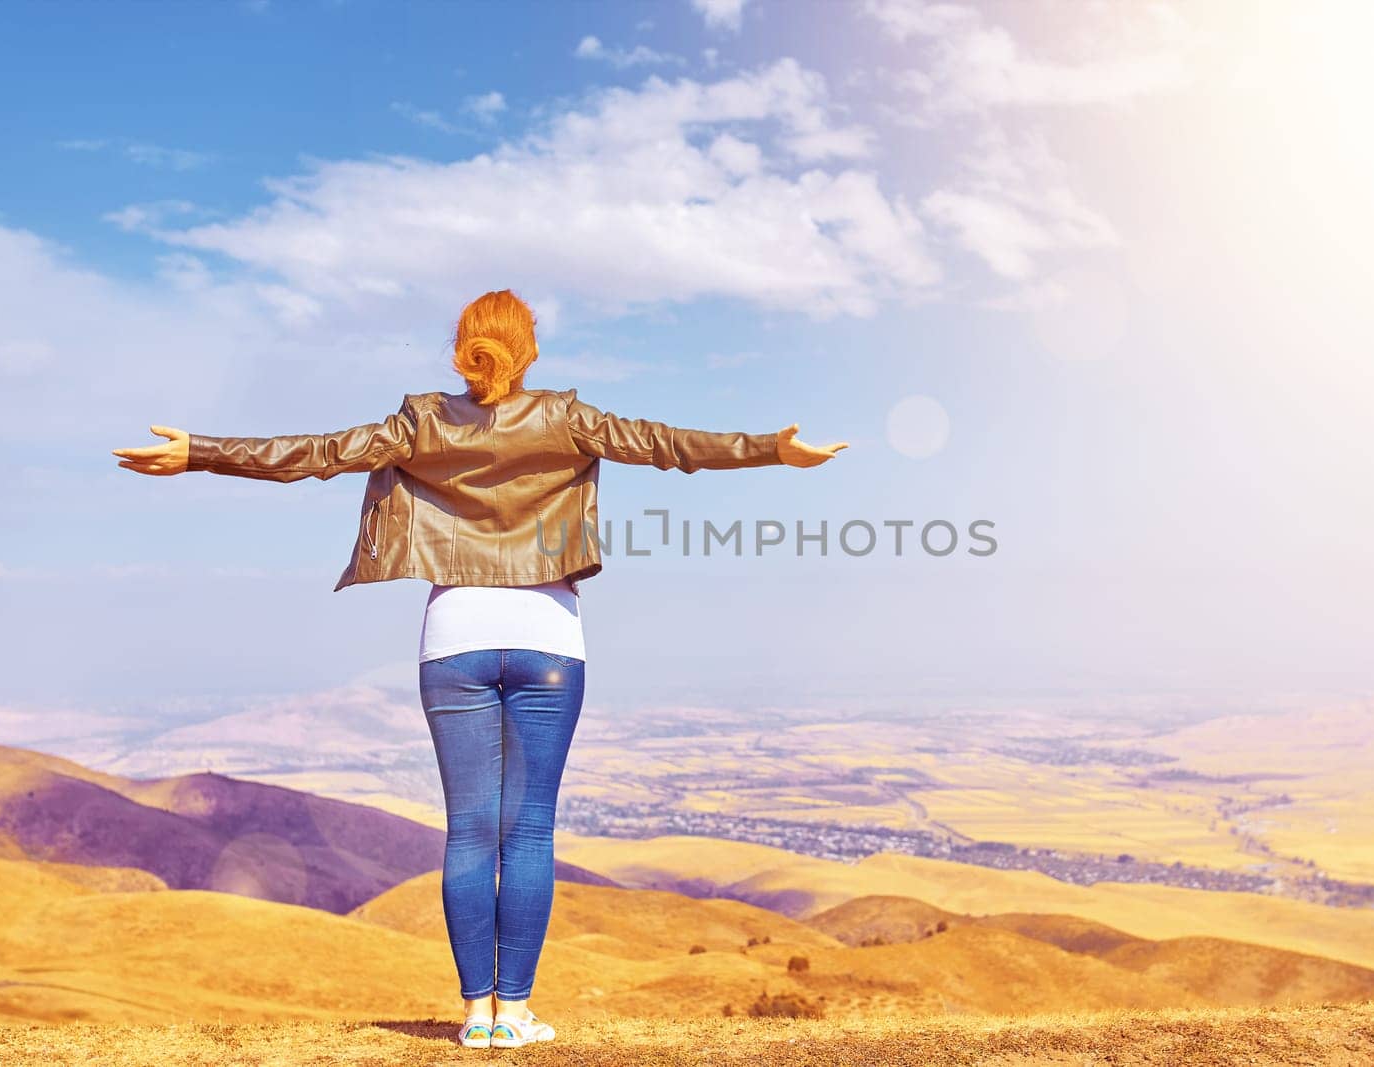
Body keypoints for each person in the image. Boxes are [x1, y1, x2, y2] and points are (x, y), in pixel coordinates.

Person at [111, 288, 847, 1048]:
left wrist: (198, 451)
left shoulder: (420, 421)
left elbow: (315, 454)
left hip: (455, 634)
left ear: (463, 347)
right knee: (527, 832)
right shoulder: (566, 417)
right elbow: (667, 445)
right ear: (528, 350)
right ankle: (516, 1013)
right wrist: (771, 447)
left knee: (468, 830)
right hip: (548, 635)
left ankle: (475, 1015)